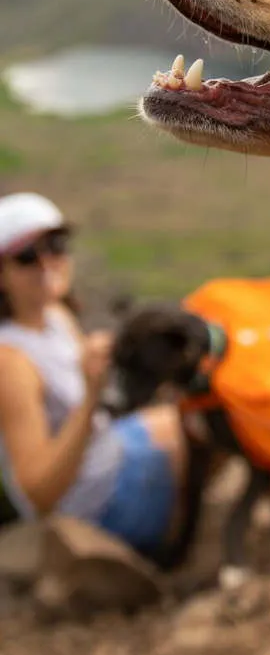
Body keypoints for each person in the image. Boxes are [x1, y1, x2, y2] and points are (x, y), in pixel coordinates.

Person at [0, 193, 187, 556]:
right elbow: (37, 494)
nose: (46, 264)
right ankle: (182, 548)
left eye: (55, 246)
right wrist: (90, 399)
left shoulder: (55, 316)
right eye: (26, 257)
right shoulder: (11, 363)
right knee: (204, 430)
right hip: (94, 507)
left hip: (110, 452)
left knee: (194, 409)